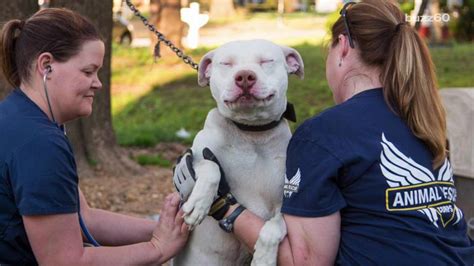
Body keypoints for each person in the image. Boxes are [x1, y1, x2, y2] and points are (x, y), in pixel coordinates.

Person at [174, 0, 474, 264]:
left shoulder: (322, 135)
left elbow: (304, 263)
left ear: (342, 47)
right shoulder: (424, 121)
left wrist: (224, 206)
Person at [0, 8, 188, 265]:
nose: (98, 83)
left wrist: (164, 229)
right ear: (46, 66)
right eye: (88, 72)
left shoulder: (16, 115)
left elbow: (83, 218)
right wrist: (157, 249)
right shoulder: (40, 144)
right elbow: (65, 262)